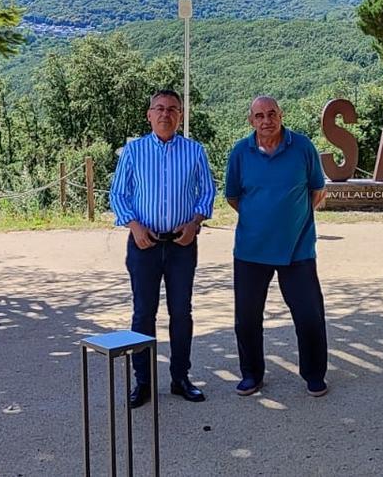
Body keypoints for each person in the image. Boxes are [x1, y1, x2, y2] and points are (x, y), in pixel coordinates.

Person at [110, 89, 216, 408]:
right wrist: (134, 225)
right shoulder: (134, 151)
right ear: (149, 115)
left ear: (180, 115)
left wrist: (195, 223)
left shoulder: (195, 151)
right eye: (159, 108)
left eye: (172, 109)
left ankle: (180, 377)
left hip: (182, 244)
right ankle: (143, 381)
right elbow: (118, 194)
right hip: (144, 244)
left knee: (181, 312)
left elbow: (207, 192)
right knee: (143, 313)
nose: (165, 114)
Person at [224, 95, 329, 397]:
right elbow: (233, 197)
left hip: (297, 249)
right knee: (247, 318)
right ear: (251, 121)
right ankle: (251, 374)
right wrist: (261, 219)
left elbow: (317, 191)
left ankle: (314, 375)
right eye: (259, 116)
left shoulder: (303, 147)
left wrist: (292, 220)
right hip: (251, 250)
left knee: (309, 315)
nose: (266, 120)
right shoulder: (240, 152)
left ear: (281, 115)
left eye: (272, 114)